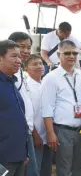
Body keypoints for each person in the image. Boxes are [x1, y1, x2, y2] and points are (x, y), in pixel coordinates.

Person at [41, 40, 81, 176]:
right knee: (64, 169)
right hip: (62, 131)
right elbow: (47, 108)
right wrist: (50, 133)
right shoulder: (51, 78)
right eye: (67, 53)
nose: (72, 56)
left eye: (74, 53)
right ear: (58, 54)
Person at [8, 32, 38, 176]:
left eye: (29, 47)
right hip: (14, 134)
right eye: (22, 47)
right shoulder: (9, 73)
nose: (26, 51)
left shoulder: (20, 72)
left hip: (26, 131)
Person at [0, 40, 28, 176]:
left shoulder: (12, 82)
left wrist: (24, 152)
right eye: (13, 56)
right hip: (3, 159)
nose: (19, 60)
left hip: (18, 156)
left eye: (19, 57)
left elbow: (19, 120)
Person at [25, 54, 53, 176]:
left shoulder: (45, 83)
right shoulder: (26, 86)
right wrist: (35, 135)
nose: (39, 66)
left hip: (48, 135)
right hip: (35, 136)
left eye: (40, 63)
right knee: (34, 170)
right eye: (34, 64)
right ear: (26, 69)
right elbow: (28, 114)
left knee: (46, 170)